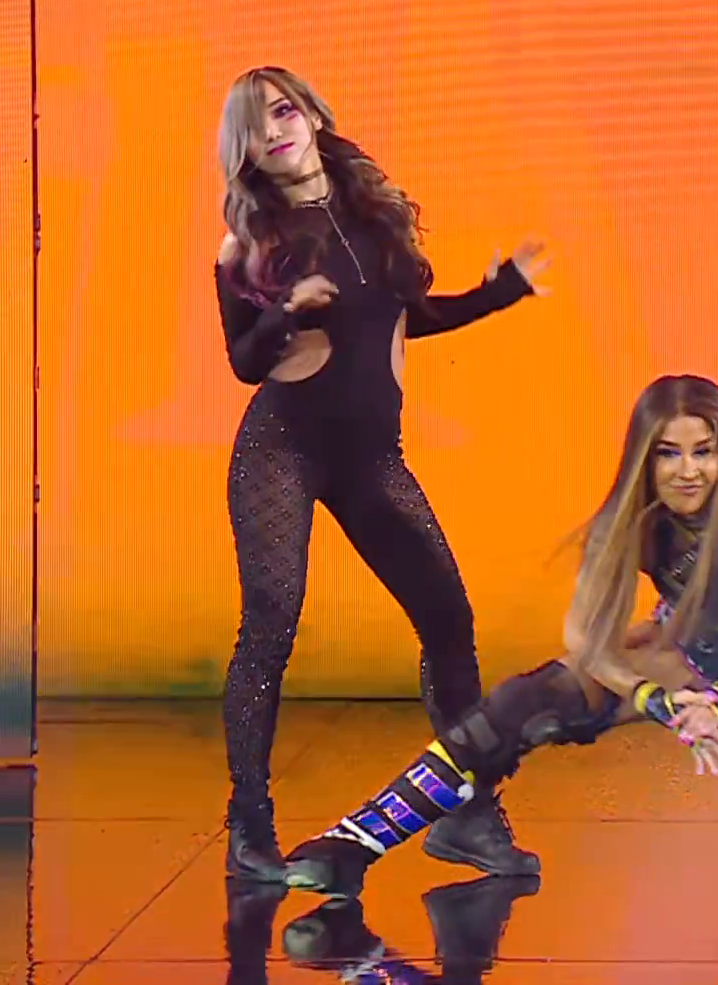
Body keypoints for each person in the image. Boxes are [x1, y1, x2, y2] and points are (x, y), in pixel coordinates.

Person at [278, 374, 718, 909]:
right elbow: (585, 637)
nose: (688, 471)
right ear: (643, 457)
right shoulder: (630, 521)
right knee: (530, 701)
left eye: (704, 451)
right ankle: (354, 843)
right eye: (668, 453)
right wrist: (655, 698)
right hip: (691, 657)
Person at [213, 66, 547, 882]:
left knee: (448, 619)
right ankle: (249, 824)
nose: (275, 132)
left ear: (314, 114)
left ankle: (468, 814)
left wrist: (498, 294)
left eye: (284, 111)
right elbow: (244, 363)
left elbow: (405, 317)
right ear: (243, 150)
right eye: (256, 126)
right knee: (270, 625)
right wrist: (284, 312)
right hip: (280, 452)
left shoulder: (370, 215)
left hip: (370, 457)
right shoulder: (250, 243)